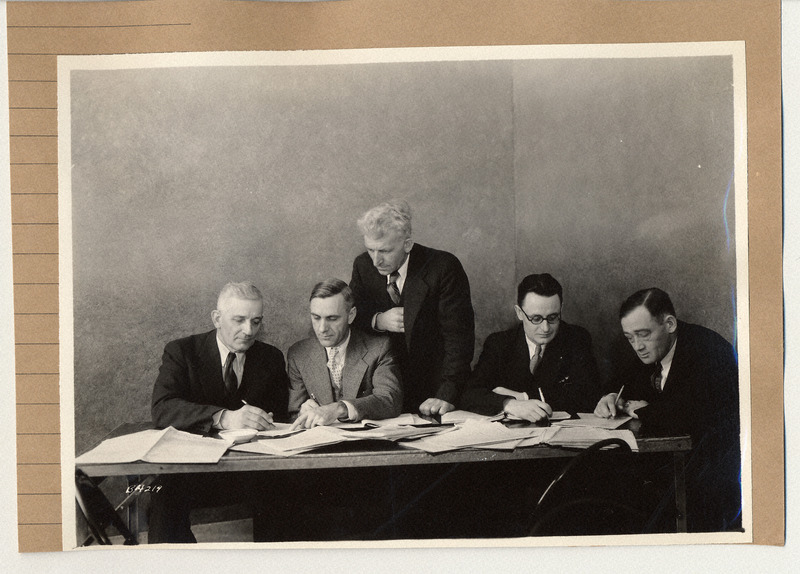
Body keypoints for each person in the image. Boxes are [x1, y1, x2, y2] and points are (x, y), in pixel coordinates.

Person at [148, 282, 290, 543]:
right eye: (239, 320)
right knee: (163, 495)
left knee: (285, 487)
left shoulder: (271, 358)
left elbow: (279, 416)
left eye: (256, 322)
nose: (249, 331)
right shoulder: (182, 352)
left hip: (253, 470)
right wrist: (223, 417)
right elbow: (163, 407)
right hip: (195, 471)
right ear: (217, 318)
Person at [594, 287, 741, 532]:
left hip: (711, 484)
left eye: (643, 335)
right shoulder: (653, 349)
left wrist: (637, 408)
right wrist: (609, 397)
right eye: (630, 338)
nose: (637, 346)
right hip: (670, 475)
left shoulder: (709, 350)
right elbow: (621, 383)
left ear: (670, 323)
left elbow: (690, 415)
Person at [349, 199, 475, 416]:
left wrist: (446, 395)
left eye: (385, 251)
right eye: (371, 249)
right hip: (381, 392)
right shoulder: (363, 266)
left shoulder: (444, 268)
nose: (376, 260)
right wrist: (378, 320)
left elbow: (459, 341)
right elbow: (351, 316)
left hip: (434, 393)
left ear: (407, 244)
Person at [460, 273, 600, 421]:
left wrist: (522, 397)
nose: (545, 328)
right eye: (536, 319)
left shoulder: (577, 338)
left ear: (561, 309)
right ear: (519, 313)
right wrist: (509, 404)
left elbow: (590, 396)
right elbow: (469, 394)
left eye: (553, 317)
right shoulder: (499, 343)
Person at [288, 278, 403, 427]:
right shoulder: (298, 354)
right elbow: (292, 413)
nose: (322, 328)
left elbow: (389, 399)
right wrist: (302, 411)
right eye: (316, 318)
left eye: (332, 318)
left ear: (351, 315)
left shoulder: (379, 348)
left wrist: (340, 408)